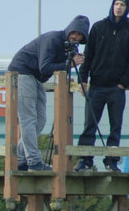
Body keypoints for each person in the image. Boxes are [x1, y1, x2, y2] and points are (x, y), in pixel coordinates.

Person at [7, 16, 90, 171]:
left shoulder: (69, 48)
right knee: (28, 118)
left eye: (80, 36)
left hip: (36, 77)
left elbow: (51, 69)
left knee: (41, 119)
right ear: (69, 29)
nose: (76, 37)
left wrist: (72, 62)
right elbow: (45, 67)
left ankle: (21, 158)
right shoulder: (53, 39)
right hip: (22, 71)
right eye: (75, 33)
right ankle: (33, 161)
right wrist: (70, 63)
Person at [77, 0, 129, 173]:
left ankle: (111, 161)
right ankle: (85, 159)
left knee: (115, 127)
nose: (119, 7)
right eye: (116, 3)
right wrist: (83, 79)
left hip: (116, 88)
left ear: (127, 8)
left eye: (122, 4)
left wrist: (124, 82)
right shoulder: (98, 28)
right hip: (96, 86)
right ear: (112, 6)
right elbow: (87, 56)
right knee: (89, 125)